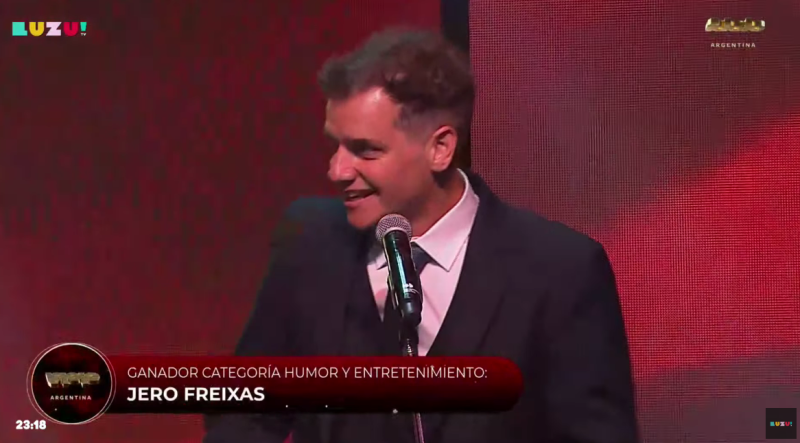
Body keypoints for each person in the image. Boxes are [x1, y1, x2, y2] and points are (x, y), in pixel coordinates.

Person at [204, 28, 638, 443]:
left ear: (440, 148)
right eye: (335, 145)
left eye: (365, 150)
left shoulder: (560, 272)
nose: (336, 170)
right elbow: (245, 411)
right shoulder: (309, 244)